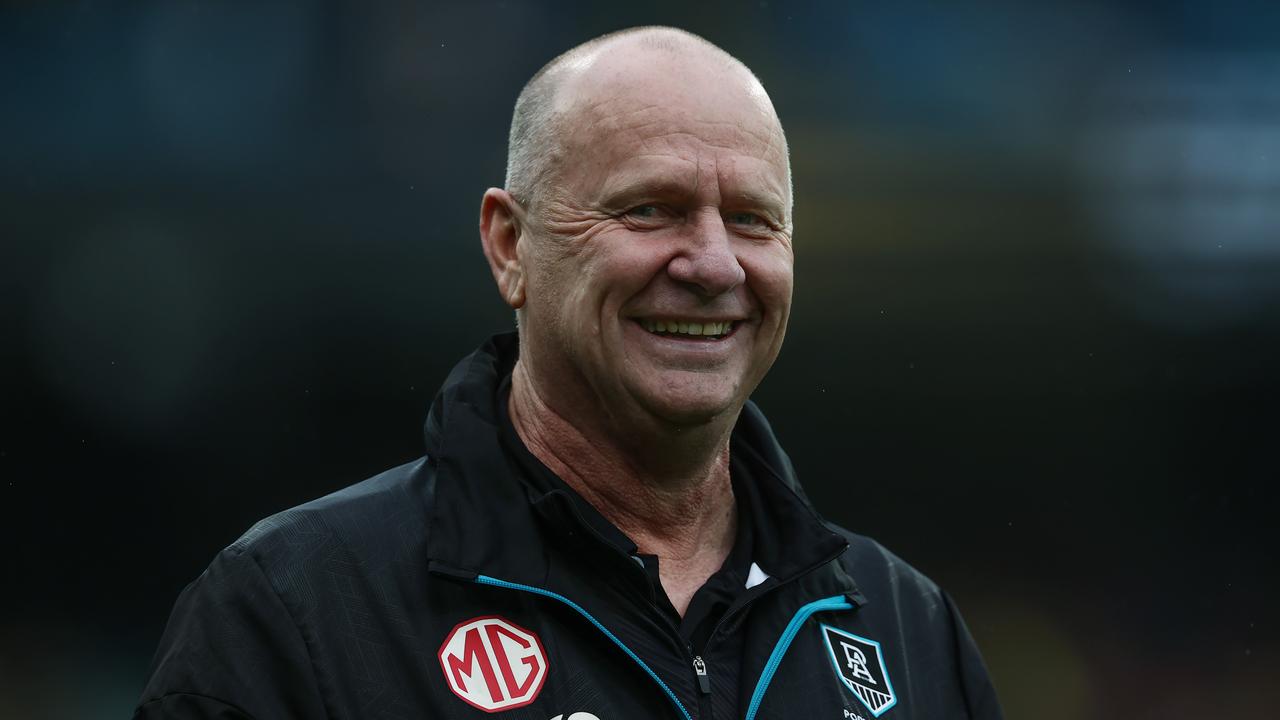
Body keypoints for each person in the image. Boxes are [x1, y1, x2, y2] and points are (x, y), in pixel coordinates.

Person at [135, 26, 1003, 720]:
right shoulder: (297, 610)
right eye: (650, 208)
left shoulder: (905, 629)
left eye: (751, 220)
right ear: (511, 246)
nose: (712, 263)